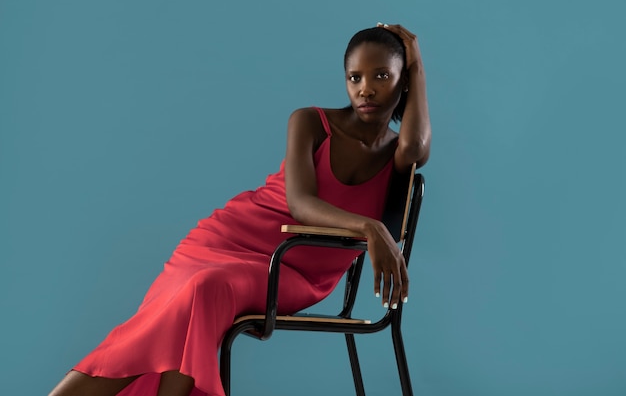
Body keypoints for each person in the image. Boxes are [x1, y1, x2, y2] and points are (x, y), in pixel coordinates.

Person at [49, 22, 431, 396]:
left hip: (288, 267)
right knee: (175, 312)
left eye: (382, 76)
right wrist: (371, 227)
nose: (365, 89)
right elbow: (301, 205)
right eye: (354, 78)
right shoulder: (310, 121)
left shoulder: (398, 152)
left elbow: (417, 148)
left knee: (204, 290)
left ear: (403, 81)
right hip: (226, 238)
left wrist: (418, 65)